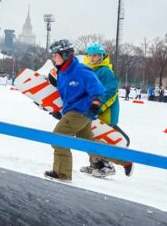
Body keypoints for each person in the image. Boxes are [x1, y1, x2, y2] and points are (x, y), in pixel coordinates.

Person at [43, 39, 133, 181]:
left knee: (57, 138)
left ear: (65, 54)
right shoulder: (62, 72)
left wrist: (96, 102)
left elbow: (98, 87)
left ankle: (62, 173)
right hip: (74, 111)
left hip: (81, 111)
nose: (53, 58)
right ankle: (124, 160)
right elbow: (67, 96)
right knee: (90, 144)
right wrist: (58, 112)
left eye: (55, 55)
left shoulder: (80, 70)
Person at [79, 43, 128, 178]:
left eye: (94, 55)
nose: (91, 58)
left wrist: (98, 107)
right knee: (91, 136)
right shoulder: (88, 69)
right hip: (91, 109)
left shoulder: (104, 71)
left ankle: (107, 166)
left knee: (102, 139)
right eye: (89, 55)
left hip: (105, 111)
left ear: (101, 56)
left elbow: (111, 91)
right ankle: (95, 164)